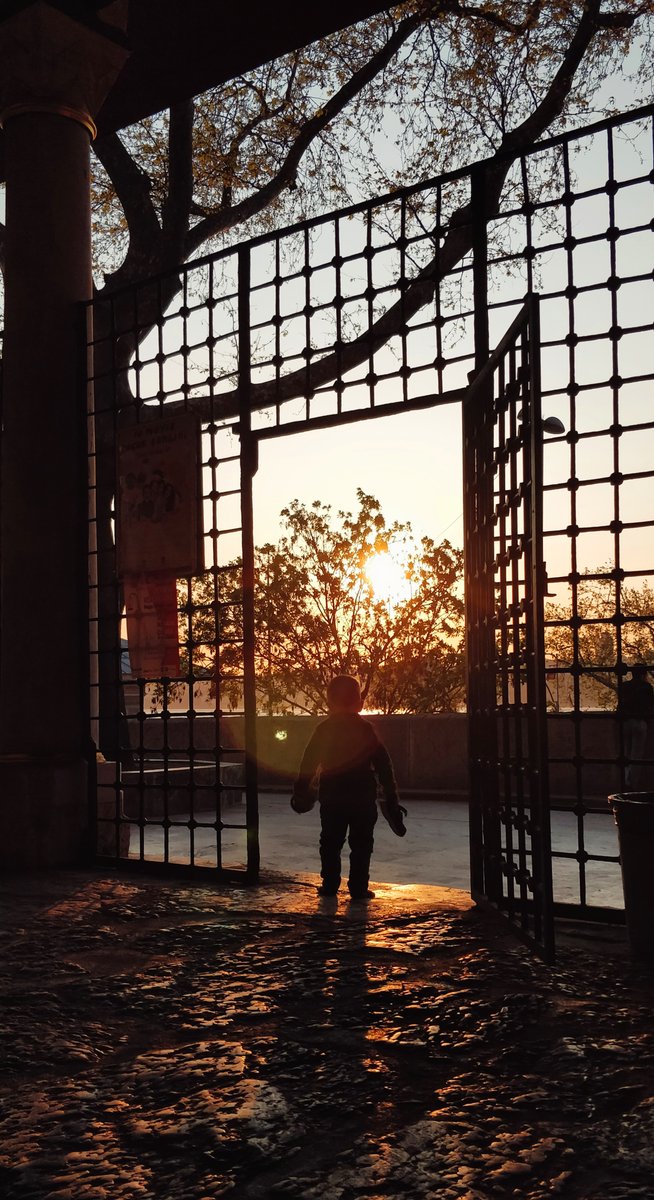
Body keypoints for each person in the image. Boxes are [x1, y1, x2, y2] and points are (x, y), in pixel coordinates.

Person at [290, 674, 407, 900]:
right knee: (362, 844)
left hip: (332, 797)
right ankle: (358, 887)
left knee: (330, 842)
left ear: (329, 702)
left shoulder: (323, 729)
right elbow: (385, 766)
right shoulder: (367, 730)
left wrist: (301, 791)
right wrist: (392, 799)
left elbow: (308, 762)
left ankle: (330, 884)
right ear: (360, 704)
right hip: (363, 798)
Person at [617, 663, 654, 788]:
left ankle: (624, 780)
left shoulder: (624, 686)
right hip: (639, 722)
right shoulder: (646, 687)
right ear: (643, 674)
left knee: (625, 754)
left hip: (624, 722)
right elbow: (650, 706)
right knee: (637, 755)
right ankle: (632, 784)